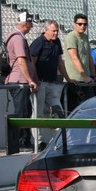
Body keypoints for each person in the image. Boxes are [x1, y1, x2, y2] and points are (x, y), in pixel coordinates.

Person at [30, 19, 73, 148]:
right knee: (38, 113)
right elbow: (32, 62)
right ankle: (37, 141)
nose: (56, 34)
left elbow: (60, 62)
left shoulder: (57, 42)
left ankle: (60, 138)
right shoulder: (38, 43)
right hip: (41, 83)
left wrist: (68, 78)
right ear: (46, 30)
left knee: (57, 110)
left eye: (57, 31)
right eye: (53, 31)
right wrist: (35, 80)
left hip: (52, 82)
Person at [5, 11, 39, 151]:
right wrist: (30, 79)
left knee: (25, 110)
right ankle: (21, 142)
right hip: (19, 80)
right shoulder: (18, 38)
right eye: (30, 24)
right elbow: (21, 60)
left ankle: (23, 141)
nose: (31, 27)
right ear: (26, 23)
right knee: (22, 111)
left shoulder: (16, 36)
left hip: (18, 80)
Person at [64, 13, 96, 111]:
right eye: (80, 24)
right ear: (74, 24)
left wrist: (94, 75)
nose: (83, 26)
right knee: (73, 110)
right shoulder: (71, 37)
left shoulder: (85, 37)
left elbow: (89, 57)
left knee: (89, 108)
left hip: (86, 79)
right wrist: (84, 76)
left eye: (85, 24)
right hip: (74, 80)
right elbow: (74, 57)